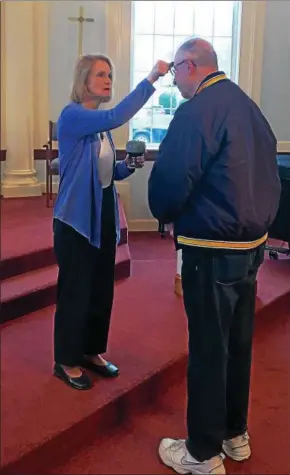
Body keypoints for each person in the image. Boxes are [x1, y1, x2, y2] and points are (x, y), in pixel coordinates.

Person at [148, 38, 281, 474]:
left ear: (190, 66)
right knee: (238, 345)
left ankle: (202, 454)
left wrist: (165, 214)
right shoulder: (248, 107)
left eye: (174, 73)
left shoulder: (198, 110)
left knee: (208, 348)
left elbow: (170, 180)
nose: (175, 82)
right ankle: (234, 434)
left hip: (210, 247)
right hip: (251, 247)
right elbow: (272, 176)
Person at [53, 54, 169, 390]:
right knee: (76, 290)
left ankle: (90, 351)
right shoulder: (74, 116)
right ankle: (65, 360)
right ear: (83, 80)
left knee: (101, 287)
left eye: (110, 75)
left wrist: (129, 166)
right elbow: (119, 115)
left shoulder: (99, 131)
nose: (108, 80)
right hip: (75, 217)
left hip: (102, 208)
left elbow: (106, 172)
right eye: (101, 75)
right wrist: (151, 79)